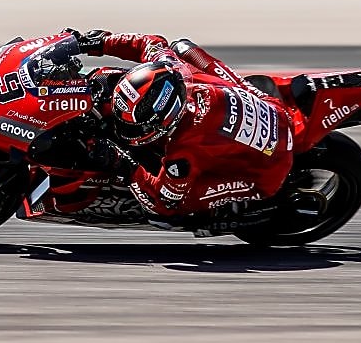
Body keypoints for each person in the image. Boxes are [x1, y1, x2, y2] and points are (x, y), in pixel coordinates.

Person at [64, 30, 304, 227]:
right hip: (267, 106)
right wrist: (96, 42)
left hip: (269, 168)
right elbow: (149, 42)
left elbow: (162, 200)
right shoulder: (170, 66)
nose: (123, 128)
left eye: (133, 126)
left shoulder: (183, 151)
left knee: (170, 213)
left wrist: (125, 166)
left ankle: (230, 211)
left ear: (167, 121)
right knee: (182, 47)